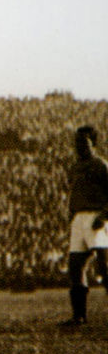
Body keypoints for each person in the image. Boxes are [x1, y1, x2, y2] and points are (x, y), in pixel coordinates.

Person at [60, 125, 108, 327]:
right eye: (77, 142)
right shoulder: (75, 166)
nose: (79, 146)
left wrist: (104, 216)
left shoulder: (101, 165)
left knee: (104, 267)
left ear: (93, 143)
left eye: (84, 142)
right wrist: (71, 214)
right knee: (75, 266)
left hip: (96, 217)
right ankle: (79, 315)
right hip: (79, 219)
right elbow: (73, 193)